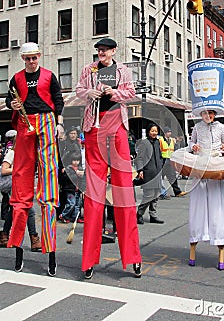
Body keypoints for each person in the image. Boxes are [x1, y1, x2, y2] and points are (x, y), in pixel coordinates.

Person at [76, 38, 142, 280]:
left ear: (114, 51)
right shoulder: (89, 70)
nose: (101, 53)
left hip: (117, 127)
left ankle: (133, 257)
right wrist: (89, 92)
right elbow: (79, 90)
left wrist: (113, 92)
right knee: (94, 194)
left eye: (105, 50)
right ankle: (89, 259)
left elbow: (131, 93)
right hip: (94, 127)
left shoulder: (122, 70)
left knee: (124, 191)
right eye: (99, 50)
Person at [5, 42, 64, 277]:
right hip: (24, 121)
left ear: (39, 56)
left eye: (34, 57)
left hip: (47, 120)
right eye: (27, 58)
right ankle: (18, 247)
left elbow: (58, 99)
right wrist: (11, 103)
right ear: (23, 59)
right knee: (20, 181)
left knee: (49, 181)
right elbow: (7, 99)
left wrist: (58, 123)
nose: (31, 61)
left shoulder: (49, 76)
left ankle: (50, 251)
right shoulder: (16, 78)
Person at [187, 110, 224, 270]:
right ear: (201, 115)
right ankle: (194, 243)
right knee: (198, 206)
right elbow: (191, 143)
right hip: (200, 168)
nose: (208, 116)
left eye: (211, 114)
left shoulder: (221, 127)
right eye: (206, 114)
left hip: (215, 168)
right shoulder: (197, 127)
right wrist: (194, 146)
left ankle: (219, 244)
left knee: (216, 207)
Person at [0, 130, 41, 252]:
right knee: (29, 210)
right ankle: (34, 239)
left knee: (14, 210)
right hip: (15, 186)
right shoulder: (12, 153)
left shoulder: (28, 153)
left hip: (24, 185)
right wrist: (20, 169)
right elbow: (4, 170)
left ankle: (4, 235)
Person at [135, 123, 165, 225]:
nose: (154, 133)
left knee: (156, 195)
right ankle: (139, 213)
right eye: (152, 131)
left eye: (156, 131)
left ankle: (153, 215)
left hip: (157, 172)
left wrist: (161, 166)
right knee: (149, 195)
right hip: (148, 172)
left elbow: (160, 156)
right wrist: (140, 170)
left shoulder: (157, 142)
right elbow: (139, 158)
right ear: (148, 132)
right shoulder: (144, 143)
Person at [159, 127, 187, 199]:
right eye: (168, 132)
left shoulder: (172, 140)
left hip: (170, 160)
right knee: (159, 178)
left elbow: (175, 149)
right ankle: (160, 193)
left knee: (172, 177)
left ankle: (177, 192)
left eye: (170, 132)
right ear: (165, 133)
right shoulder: (160, 140)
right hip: (162, 160)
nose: (169, 133)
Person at [58, 151, 85, 224]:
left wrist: (83, 189)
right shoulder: (68, 169)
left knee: (77, 205)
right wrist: (76, 174)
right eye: (74, 160)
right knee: (71, 203)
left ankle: (75, 217)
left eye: (77, 160)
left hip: (77, 189)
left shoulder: (80, 168)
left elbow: (83, 180)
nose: (76, 162)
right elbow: (67, 178)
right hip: (70, 189)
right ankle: (64, 215)